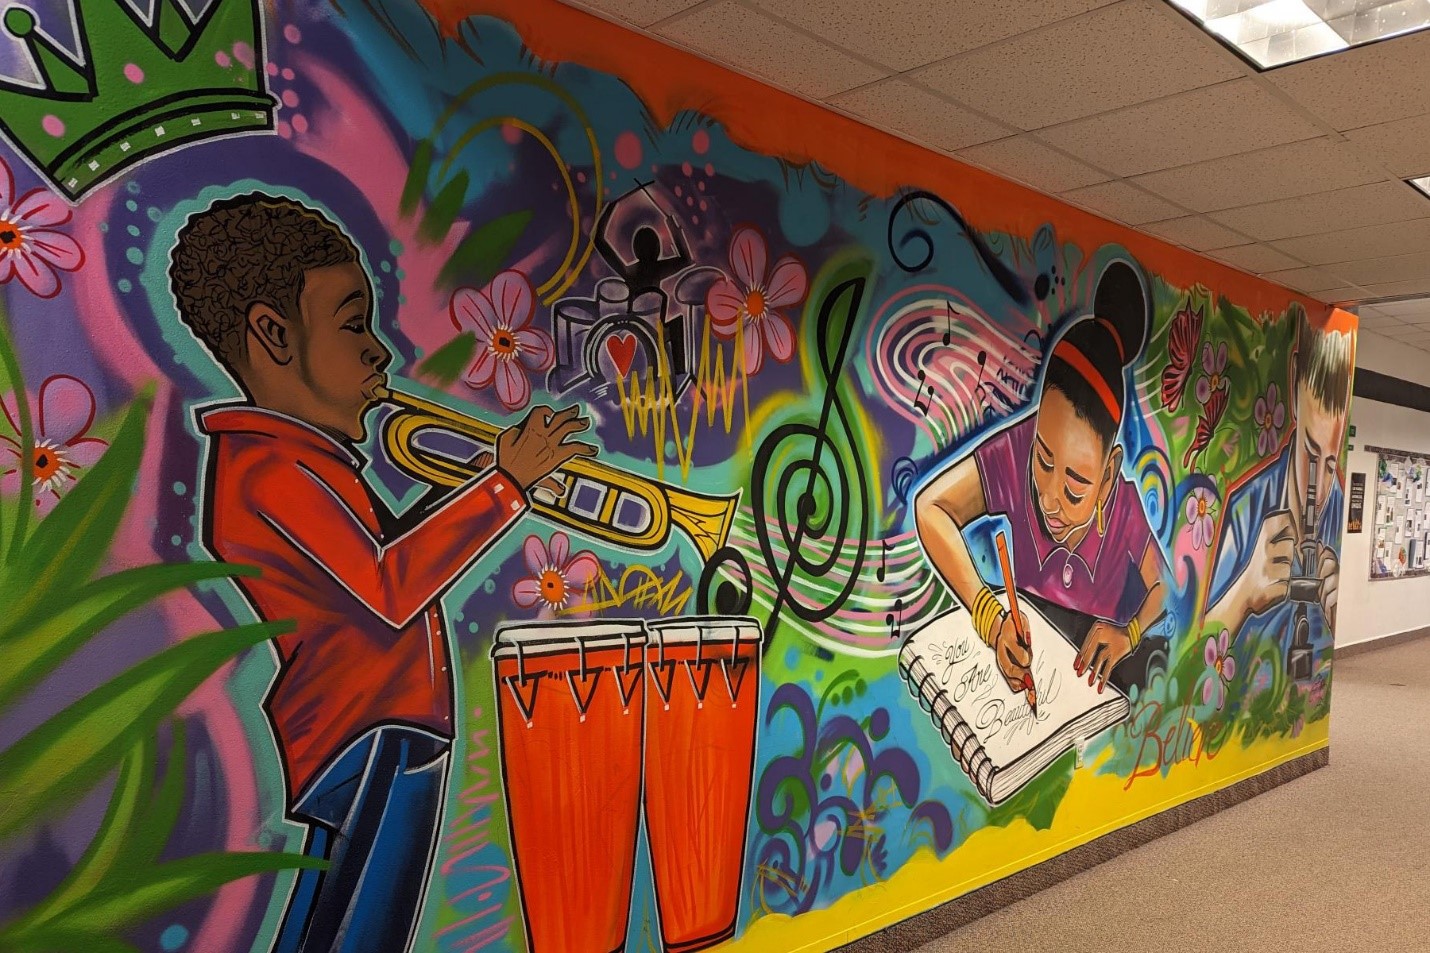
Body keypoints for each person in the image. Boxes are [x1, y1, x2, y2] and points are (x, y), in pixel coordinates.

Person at [169, 193, 596, 953]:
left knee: (337, 920)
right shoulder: (267, 469)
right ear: (272, 334)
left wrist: (478, 483)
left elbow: (382, 564)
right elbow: (390, 585)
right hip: (361, 731)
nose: (380, 352)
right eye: (352, 322)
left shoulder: (304, 462)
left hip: (382, 724)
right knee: (363, 926)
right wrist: (505, 486)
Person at [915, 259, 1167, 696]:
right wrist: (990, 618)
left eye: (1074, 487)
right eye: (1044, 460)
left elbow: (1165, 586)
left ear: (1107, 477)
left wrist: (1129, 634)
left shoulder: (1122, 506)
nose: (1050, 498)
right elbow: (930, 508)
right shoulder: (1015, 453)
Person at [1205, 308, 1349, 656]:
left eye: (1331, 464)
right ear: (1294, 383)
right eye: (1310, 454)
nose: (1319, 486)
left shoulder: (1338, 506)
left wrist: (1331, 622)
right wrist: (1243, 595)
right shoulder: (1246, 510)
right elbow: (1192, 653)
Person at [593, 182, 691, 305]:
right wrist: (674, 230)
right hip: (655, 321)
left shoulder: (630, 272)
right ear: (657, 248)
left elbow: (598, 240)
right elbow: (686, 259)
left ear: (635, 249)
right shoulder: (658, 269)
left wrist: (611, 207)